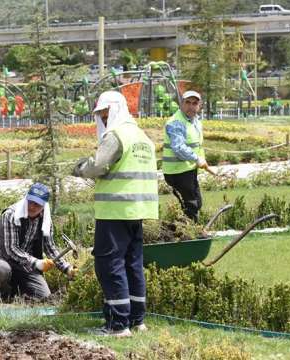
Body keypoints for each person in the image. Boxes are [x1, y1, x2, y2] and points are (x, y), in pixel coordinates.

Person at [73, 91, 158, 337]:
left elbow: (98, 165)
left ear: (115, 109)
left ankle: (118, 325)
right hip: (138, 210)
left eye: (104, 112)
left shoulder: (116, 135)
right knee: (133, 264)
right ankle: (136, 320)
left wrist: (79, 168)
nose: (102, 117)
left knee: (110, 265)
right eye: (100, 113)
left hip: (115, 210)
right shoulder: (141, 136)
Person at [0, 183, 77, 299]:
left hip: (24, 264)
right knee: (2, 270)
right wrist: (37, 263)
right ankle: (3, 294)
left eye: (37, 204)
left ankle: (17, 285)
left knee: (44, 296)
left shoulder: (45, 220)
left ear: (44, 205)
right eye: (31, 202)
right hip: (2, 258)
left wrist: (67, 268)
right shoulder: (11, 215)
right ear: (26, 198)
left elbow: (50, 248)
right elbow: (12, 249)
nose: (32, 207)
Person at [162, 90, 207, 222]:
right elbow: (178, 147)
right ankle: (190, 234)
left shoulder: (195, 121)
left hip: (188, 169)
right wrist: (197, 158)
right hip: (177, 171)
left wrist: (201, 159)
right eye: (187, 102)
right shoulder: (176, 122)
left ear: (199, 106)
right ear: (181, 104)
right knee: (191, 204)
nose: (191, 106)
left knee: (196, 203)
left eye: (195, 103)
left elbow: (197, 145)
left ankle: (186, 231)